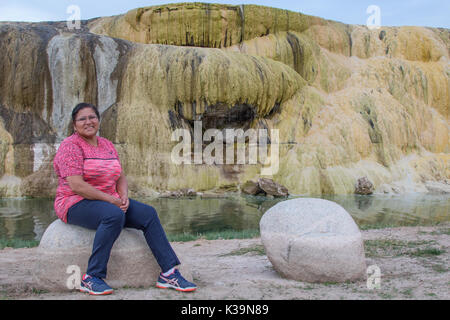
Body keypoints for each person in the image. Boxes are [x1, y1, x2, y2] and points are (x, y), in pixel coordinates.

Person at [53, 102, 196, 295]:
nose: (88, 122)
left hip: (108, 200)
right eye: (82, 119)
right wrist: (111, 201)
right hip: (75, 202)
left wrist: (123, 196)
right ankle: (92, 277)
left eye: (92, 117)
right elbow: (77, 185)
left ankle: (169, 273)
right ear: (74, 124)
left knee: (148, 214)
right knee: (113, 215)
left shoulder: (106, 144)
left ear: (98, 120)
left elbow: (119, 175)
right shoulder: (70, 146)